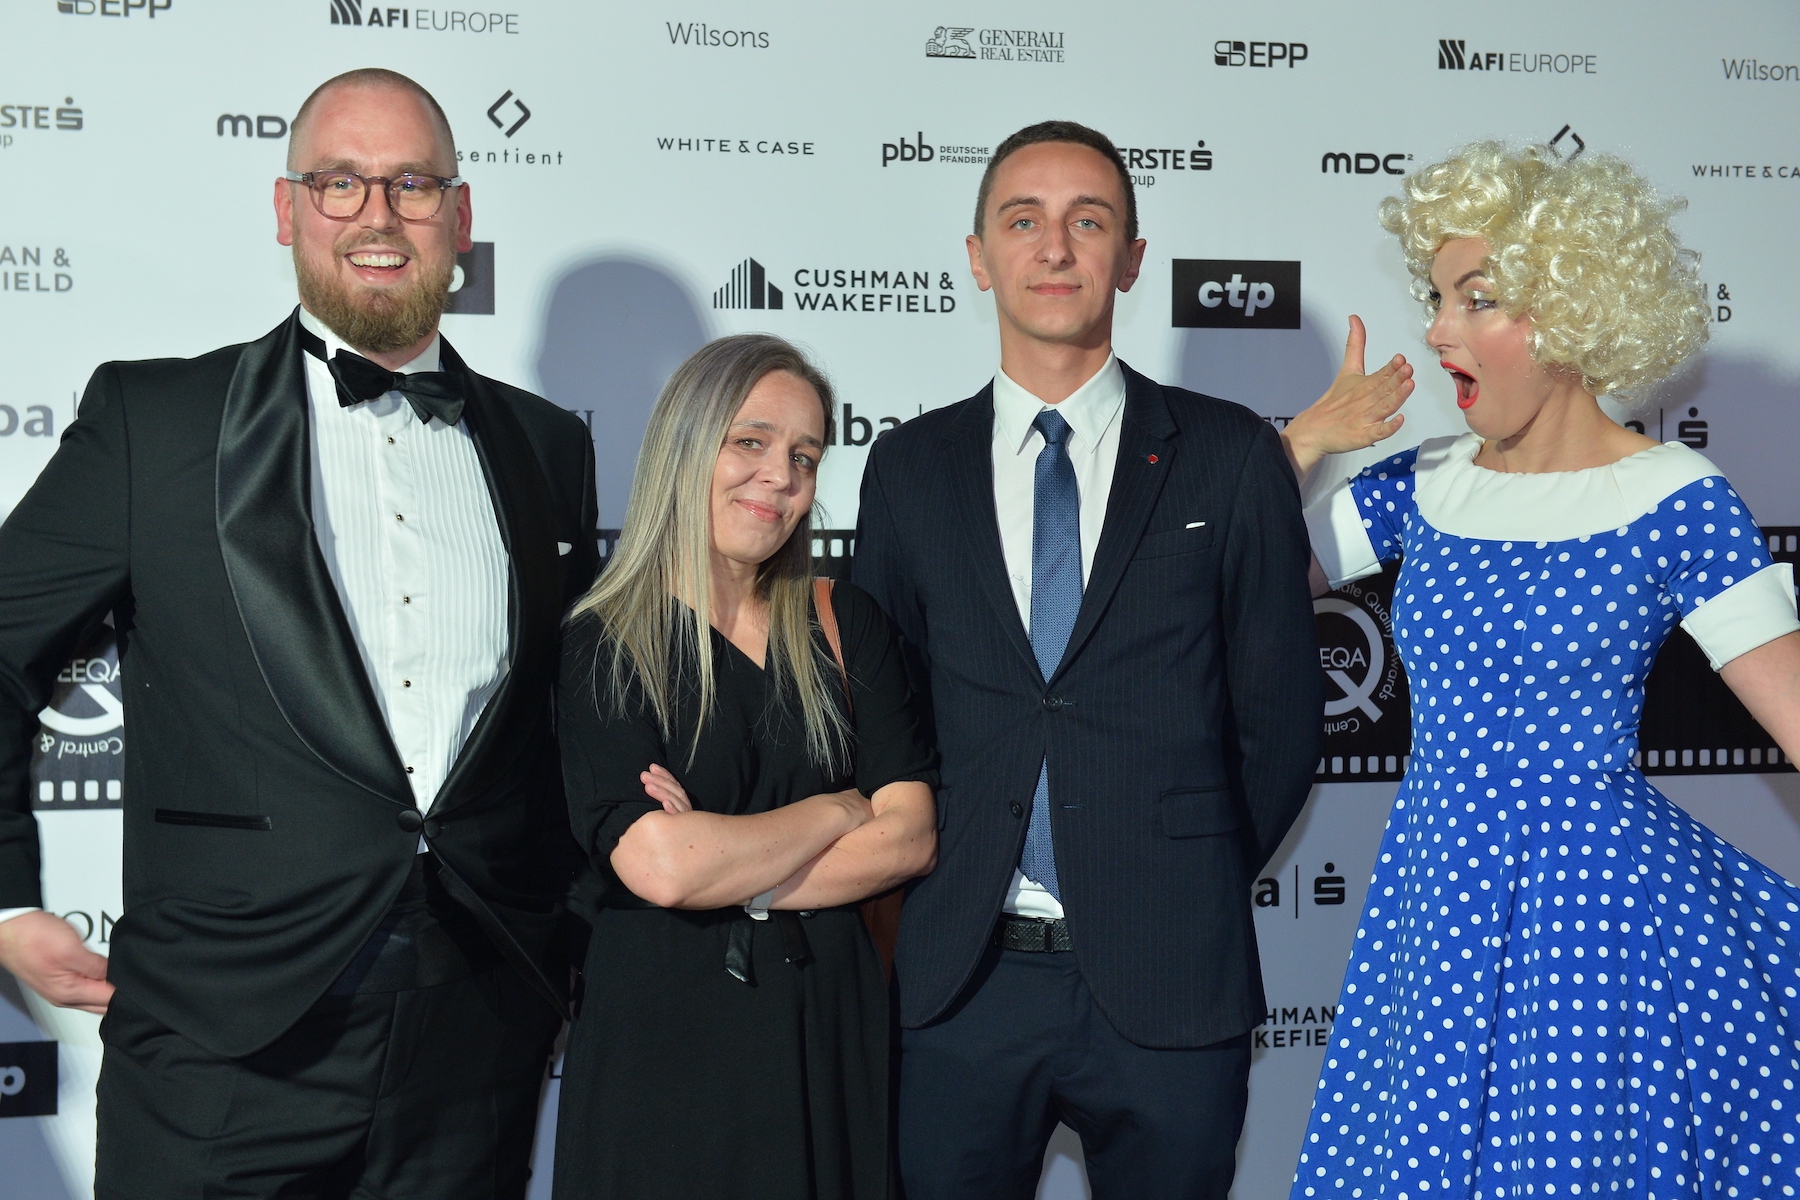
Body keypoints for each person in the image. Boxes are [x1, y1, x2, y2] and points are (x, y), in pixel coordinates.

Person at [0, 68, 599, 1198]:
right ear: (286, 209)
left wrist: (566, 929)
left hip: (477, 1031)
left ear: (461, 216)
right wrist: (7, 898)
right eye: (339, 183)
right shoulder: (156, 423)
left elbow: (563, 718)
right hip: (224, 1036)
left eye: (412, 184)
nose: (378, 215)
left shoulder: (546, 446)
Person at [1283, 142, 1800, 1199]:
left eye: (1477, 301)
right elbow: (1249, 580)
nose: (1438, 331)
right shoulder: (1424, 485)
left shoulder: (1675, 497)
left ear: (1569, 315)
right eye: (1436, 299)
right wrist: (1297, 448)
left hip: (1595, 919)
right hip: (1435, 891)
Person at [851, 120, 1351, 1199]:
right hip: (961, 982)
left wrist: (1180, 872)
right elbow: (884, 716)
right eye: (1022, 221)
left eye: (1088, 221)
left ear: (1131, 257)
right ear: (978, 256)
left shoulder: (1228, 455)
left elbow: (1278, 721)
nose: (1054, 247)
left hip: (1174, 976)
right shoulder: (907, 467)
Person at [553, 333, 938, 1200]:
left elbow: (911, 837)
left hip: (829, 1026)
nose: (780, 478)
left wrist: (727, 859)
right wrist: (840, 810)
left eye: (804, 457)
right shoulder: (606, 640)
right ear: (688, 444)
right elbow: (663, 866)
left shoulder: (844, 622)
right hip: (667, 1044)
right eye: (751, 442)